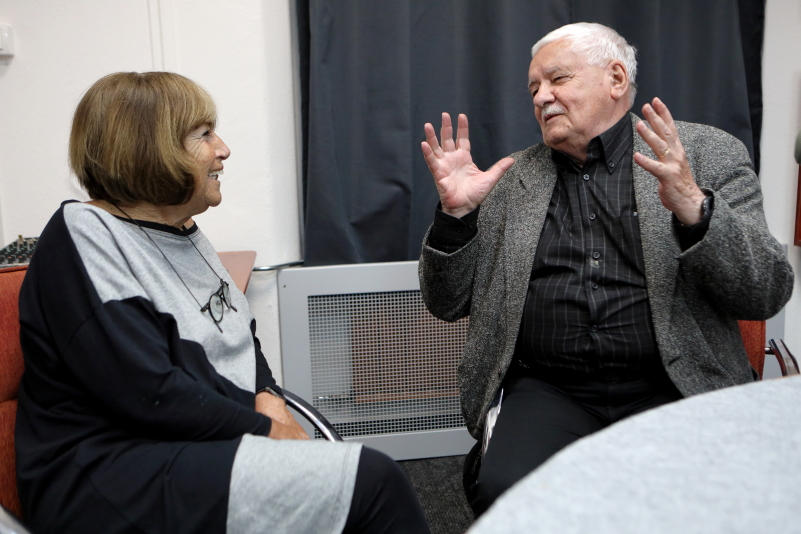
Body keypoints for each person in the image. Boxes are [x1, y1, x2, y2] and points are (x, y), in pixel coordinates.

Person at [16, 72, 430, 534]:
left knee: (351, 483)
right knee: (372, 481)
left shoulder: (182, 231)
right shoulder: (85, 234)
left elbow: (237, 334)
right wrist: (266, 429)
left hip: (190, 443)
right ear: (149, 148)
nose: (224, 149)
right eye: (204, 134)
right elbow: (148, 390)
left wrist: (268, 397)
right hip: (106, 473)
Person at [418, 22, 793, 515]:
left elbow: (765, 291)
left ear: (615, 79)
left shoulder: (703, 155)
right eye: (534, 88)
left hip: (672, 381)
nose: (542, 97)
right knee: (510, 493)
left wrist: (696, 208)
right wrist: (456, 217)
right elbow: (446, 303)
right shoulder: (511, 178)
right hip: (550, 387)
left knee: (690, 499)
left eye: (558, 79)